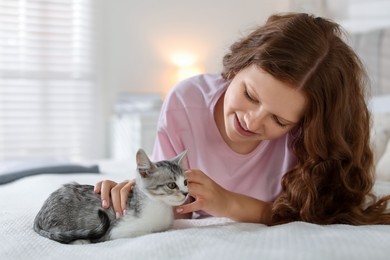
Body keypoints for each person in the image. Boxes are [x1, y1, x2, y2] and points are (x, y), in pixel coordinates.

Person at [95, 12, 390, 225]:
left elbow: (316, 212)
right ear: (239, 65)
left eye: (279, 120)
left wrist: (230, 204)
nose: (252, 122)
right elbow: (171, 206)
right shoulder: (186, 101)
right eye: (250, 95)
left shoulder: (306, 141)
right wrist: (134, 194)